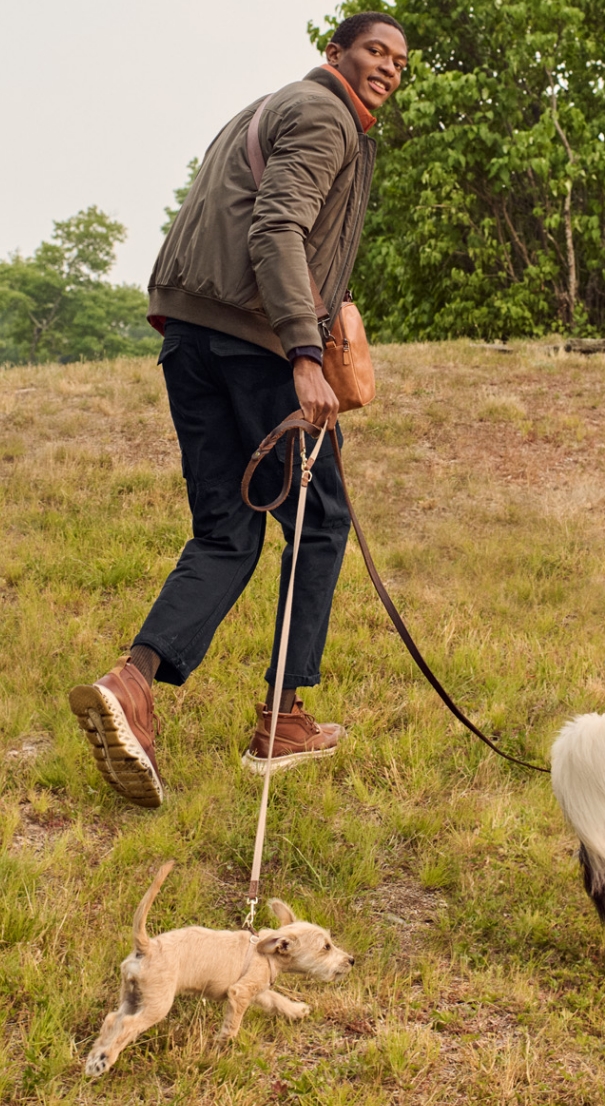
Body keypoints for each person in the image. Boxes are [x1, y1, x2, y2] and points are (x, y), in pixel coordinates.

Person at [68, 12, 408, 809]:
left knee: (226, 531)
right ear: (336, 54)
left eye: (399, 59)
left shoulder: (268, 107)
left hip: (190, 337)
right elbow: (277, 225)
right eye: (374, 51)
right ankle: (283, 720)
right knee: (319, 519)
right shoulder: (325, 116)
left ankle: (131, 683)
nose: (389, 68)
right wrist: (300, 349)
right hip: (253, 345)